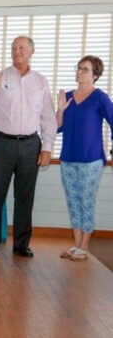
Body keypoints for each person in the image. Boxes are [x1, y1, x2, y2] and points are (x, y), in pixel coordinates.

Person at [0, 36, 57, 258]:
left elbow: (48, 117)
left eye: (22, 47)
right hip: (2, 143)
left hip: (30, 145)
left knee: (25, 197)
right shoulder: (0, 77)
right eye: (14, 47)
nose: (17, 51)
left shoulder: (40, 81)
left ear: (31, 51)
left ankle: (21, 244)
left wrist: (46, 148)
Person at [56, 55, 113, 261]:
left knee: (86, 201)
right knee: (73, 201)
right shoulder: (68, 96)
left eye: (85, 69)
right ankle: (76, 244)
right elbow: (57, 127)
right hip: (68, 158)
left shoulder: (100, 97)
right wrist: (61, 109)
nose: (79, 72)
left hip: (91, 159)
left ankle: (84, 246)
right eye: (78, 68)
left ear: (95, 75)